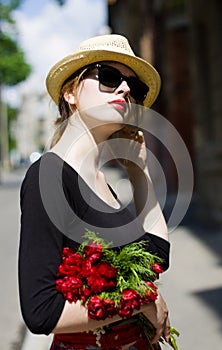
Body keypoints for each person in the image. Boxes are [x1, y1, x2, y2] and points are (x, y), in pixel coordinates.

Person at [18, 34, 171, 350]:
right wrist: (141, 301)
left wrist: (139, 172)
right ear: (71, 92)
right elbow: (41, 312)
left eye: (134, 87)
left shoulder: (102, 181)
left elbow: (157, 255)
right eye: (109, 77)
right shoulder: (48, 177)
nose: (125, 89)